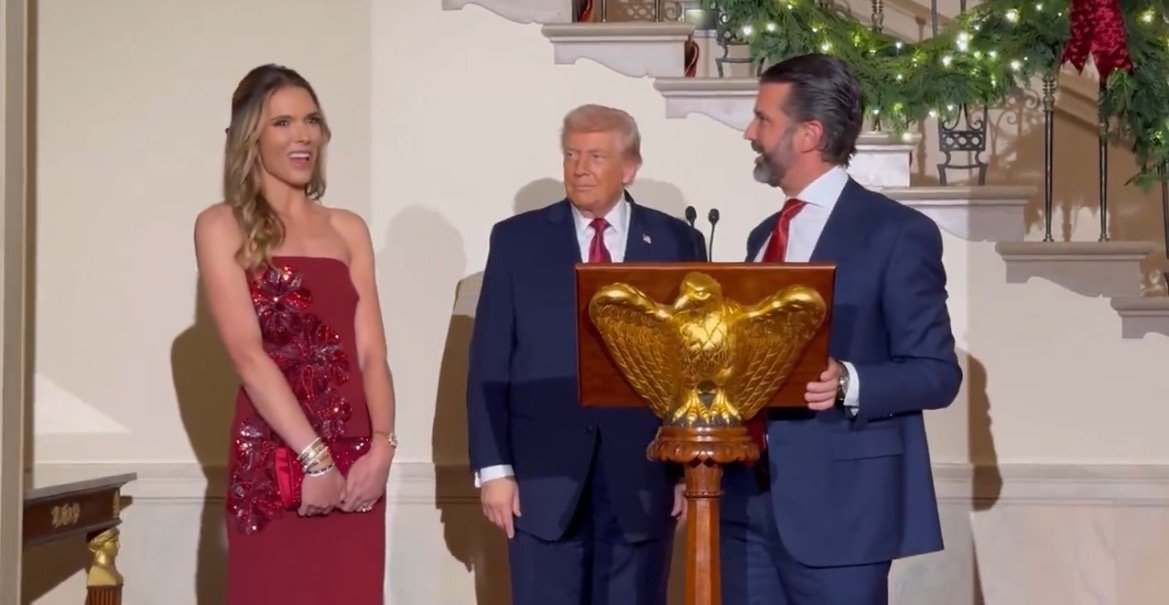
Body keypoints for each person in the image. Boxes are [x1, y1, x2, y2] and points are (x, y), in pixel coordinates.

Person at [721, 53, 962, 604]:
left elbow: (936, 373)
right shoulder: (763, 235)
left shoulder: (897, 233)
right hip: (743, 507)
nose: (750, 133)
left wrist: (848, 380)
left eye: (763, 120)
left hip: (842, 515)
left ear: (809, 134)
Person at [466, 104, 706, 604]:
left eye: (596, 156)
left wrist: (687, 471)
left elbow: (691, 365)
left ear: (630, 167)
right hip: (540, 482)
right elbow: (489, 362)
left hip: (643, 479)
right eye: (571, 155)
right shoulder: (516, 240)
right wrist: (494, 470)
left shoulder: (677, 242)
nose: (580, 169)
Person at [194, 64, 396, 604]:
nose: (302, 135)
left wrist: (382, 448)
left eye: (311, 120)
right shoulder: (220, 225)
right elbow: (247, 355)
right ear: (250, 137)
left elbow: (372, 353)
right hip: (275, 459)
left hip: (359, 466)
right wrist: (315, 458)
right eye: (282, 122)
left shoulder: (348, 228)